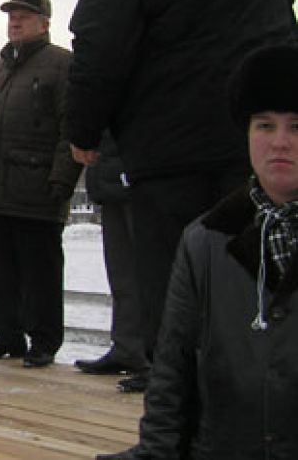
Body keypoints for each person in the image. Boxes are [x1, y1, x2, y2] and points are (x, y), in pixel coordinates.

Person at [68, 0, 297, 392]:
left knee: (175, 287)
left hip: (167, 148)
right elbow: (284, 1)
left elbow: (98, 50)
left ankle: (174, 429)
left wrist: (84, 130)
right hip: (255, 142)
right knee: (254, 284)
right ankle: (257, 422)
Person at [97, 45, 298, 460]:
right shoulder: (206, 241)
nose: (280, 142)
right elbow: (173, 372)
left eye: (297, 127)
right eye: (264, 126)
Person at [0, 0, 82, 368]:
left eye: (24, 16)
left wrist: (62, 180)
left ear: (45, 23)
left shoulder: (62, 65)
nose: (14, 21)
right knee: (1, 271)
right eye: (11, 15)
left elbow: (71, 127)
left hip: (38, 188)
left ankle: (44, 341)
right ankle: (7, 334)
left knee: (40, 272)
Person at [74, 133, 148, 377]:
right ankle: (127, 347)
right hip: (111, 173)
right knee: (121, 271)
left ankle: (152, 356)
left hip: (143, 170)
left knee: (148, 272)